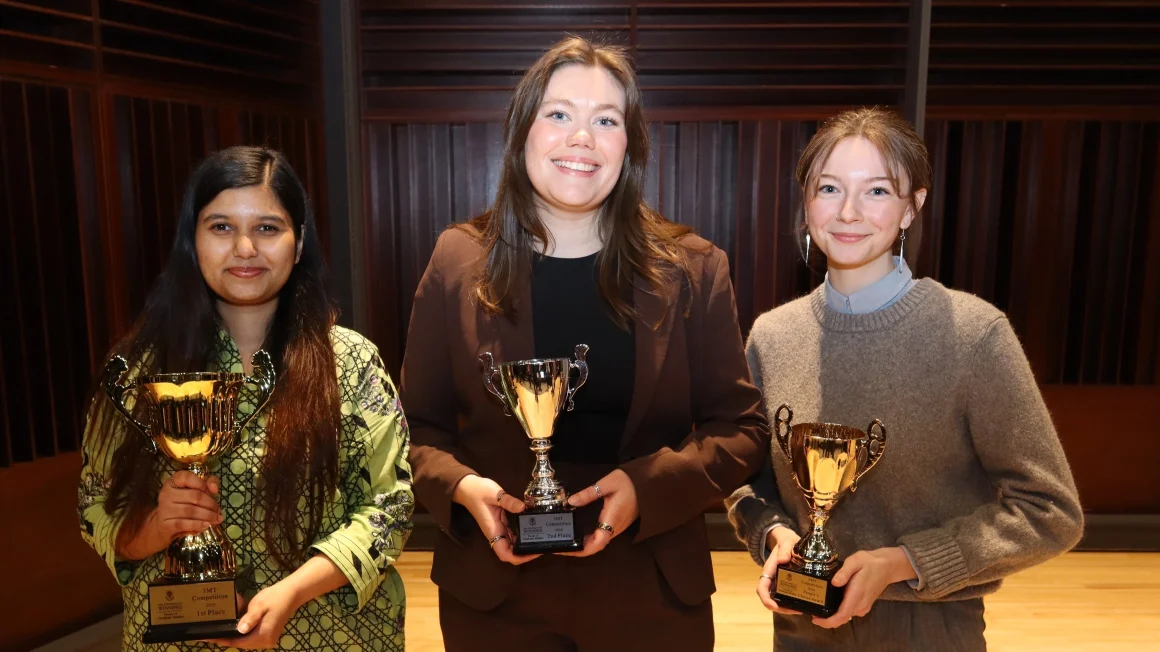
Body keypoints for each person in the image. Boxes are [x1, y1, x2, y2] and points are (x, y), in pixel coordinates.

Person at [401, 36, 769, 651]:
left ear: (630, 145)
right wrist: (465, 489)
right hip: (496, 591)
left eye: (606, 120)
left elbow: (742, 431)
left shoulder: (694, 267)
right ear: (523, 134)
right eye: (559, 114)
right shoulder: (458, 259)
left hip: (650, 590)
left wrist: (645, 487)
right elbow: (416, 429)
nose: (582, 137)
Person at [726, 107, 1084, 651]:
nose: (847, 212)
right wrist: (772, 535)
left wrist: (903, 562)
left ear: (912, 208)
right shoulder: (772, 337)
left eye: (875, 191)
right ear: (806, 201)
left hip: (930, 632)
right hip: (800, 631)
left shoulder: (974, 335)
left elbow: (1050, 511)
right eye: (828, 188)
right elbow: (746, 479)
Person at [78, 146, 414, 651]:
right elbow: (94, 504)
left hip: (330, 635)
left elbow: (389, 507)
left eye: (266, 228)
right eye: (220, 227)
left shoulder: (352, 361)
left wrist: (291, 593)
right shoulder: (139, 369)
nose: (245, 249)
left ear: (298, 244)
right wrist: (153, 528)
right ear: (192, 240)